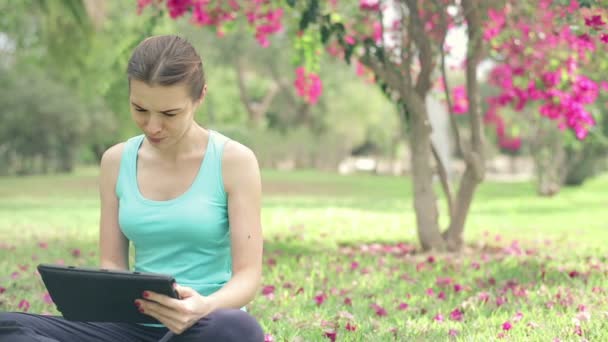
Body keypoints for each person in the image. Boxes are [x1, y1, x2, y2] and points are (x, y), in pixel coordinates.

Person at [0, 35, 265, 342]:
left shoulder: (234, 161)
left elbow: (248, 276)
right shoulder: (115, 161)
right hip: (128, 329)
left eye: (169, 114)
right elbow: (112, 263)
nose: (153, 126)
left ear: (200, 97)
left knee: (238, 330)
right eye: (140, 109)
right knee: (8, 326)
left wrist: (203, 306)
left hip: (203, 325)